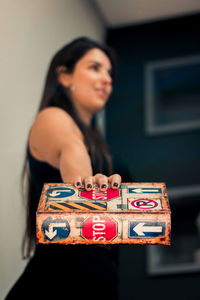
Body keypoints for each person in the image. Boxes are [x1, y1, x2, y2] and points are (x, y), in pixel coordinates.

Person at [5, 37, 133, 300]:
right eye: (95, 68)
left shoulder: (99, 143)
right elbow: (71, 150)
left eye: (109, 72)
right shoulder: (53, 118)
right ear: (64, 76)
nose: (108, 79)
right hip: (56, 284)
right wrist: (86, 184)